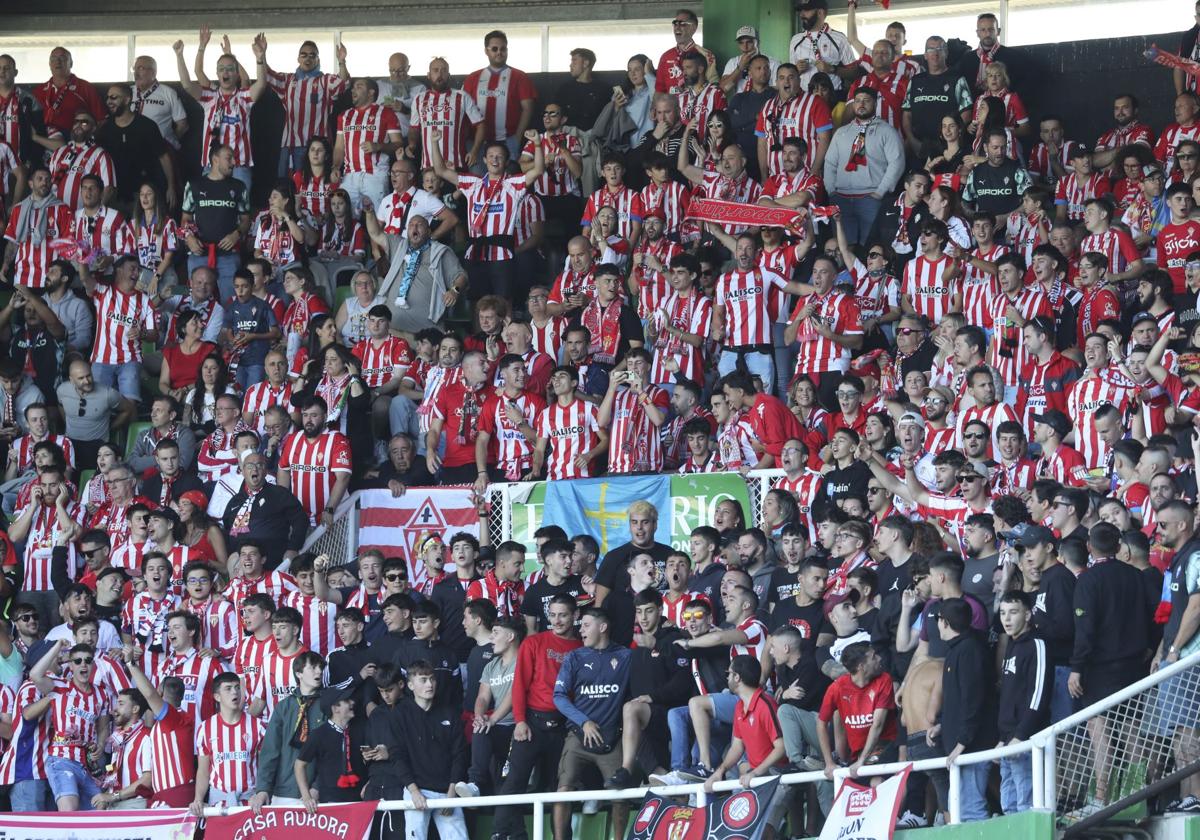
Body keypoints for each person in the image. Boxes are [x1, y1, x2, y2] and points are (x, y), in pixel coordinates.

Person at [492, 594, 580, 840]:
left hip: (564, 727)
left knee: (559, 788)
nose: (557, 620)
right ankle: (501, 834)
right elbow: (519, 685)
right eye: (552, 615)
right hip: (532, 723)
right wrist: (520, 720)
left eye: (562, 615)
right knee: (514, 782)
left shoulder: (582, 648)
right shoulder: (534, 643)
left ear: (575, 616)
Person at [552, 607, 633, 839]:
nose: (581, 630)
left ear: (603, 627)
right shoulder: (574, 657)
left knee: (620, 794)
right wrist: (584, 721)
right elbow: (558, 696)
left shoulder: (626, 656)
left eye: (586, 625)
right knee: (563, 789)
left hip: (612, 738)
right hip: (578, 736)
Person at [175, 28, 268, 193]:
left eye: (230, 69)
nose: (226, 72)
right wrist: (179, 55)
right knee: (210, 212)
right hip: (212, 166)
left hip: (238, 165)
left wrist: (260, 59)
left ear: (236, 74)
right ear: (217, 73)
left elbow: (260, 84)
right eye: (222, 69)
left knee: (240, 213)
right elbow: (188, 84)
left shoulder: (244, 97)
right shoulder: (209, 97)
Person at [824, 89, 905, 244]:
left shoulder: (887, 131)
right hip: (842, 199)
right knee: (844, 249)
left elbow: (897, 162)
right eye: (858, 100)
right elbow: (829, 163)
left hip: (871, 198)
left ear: (875, 103)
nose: (861, 104)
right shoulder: (841, 132)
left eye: (866, 100)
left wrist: (880, 192)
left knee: (871, 248)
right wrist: (831, 191)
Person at [996, 590, 1052, 814]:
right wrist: (1003, 738)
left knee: (1026, 807)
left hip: (1026, 741)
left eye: (1013, 612)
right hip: (1009, 740)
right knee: (1009, 808)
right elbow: (1009, 696)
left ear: (1028, 615)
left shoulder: (1036, 644)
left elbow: (1039, 694)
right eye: (1002, 613)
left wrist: (1020, 735)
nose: (1006, 619)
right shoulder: (1011, 645)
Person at [262, 39, 349, 176]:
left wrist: (342, 62)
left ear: (317, 60)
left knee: (314, 185)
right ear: (298, 58)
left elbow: (343, 83)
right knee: (286, 187)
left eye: (312, 55)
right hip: (290, 145)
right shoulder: (288, 80)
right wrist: (261, 56)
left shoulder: (324, 81)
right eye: (304, 55)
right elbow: (266, 75)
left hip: (317, 147)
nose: (307, 58)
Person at [179, 143, 251, 302]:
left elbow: (246, 220)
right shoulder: (194, 185)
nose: (233, 162)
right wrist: (189, 238)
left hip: (228, 256)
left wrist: (236, 234)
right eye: (229, 158)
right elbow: (185, 218)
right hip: (199, 253)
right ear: (215, 160)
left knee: (230, 302)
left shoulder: (239, 187)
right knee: (195, 301)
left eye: (233, 158)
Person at [35, 47, 104, 134]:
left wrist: (85, 142)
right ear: (49, 64)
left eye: (62, 58)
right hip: (44, 141)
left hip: (75, 142)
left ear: (71, 63)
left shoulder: (86, 88)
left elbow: (101, 120)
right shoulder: (38, 91)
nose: (57, 61)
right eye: (53, 59)